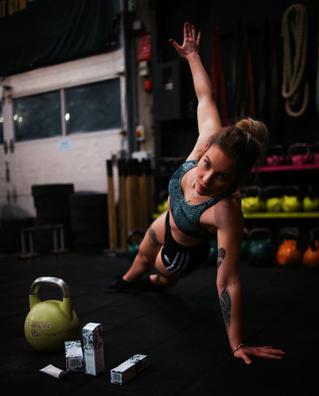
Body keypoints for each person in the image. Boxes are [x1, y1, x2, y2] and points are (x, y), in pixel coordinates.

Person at [104, 22, 285, 365]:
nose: (204, 179)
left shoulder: (226, 211)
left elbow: (228, 281)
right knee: (142, 251)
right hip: (169, 219)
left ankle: (156, 281)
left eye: (220, 178)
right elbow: (205, 97)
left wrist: (236, 343)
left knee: (157, 272)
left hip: (183, 250)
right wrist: (192, 57)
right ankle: (128, 279)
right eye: (204, 165)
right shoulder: (208, 141)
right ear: (205, 150)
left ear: (236, 181)